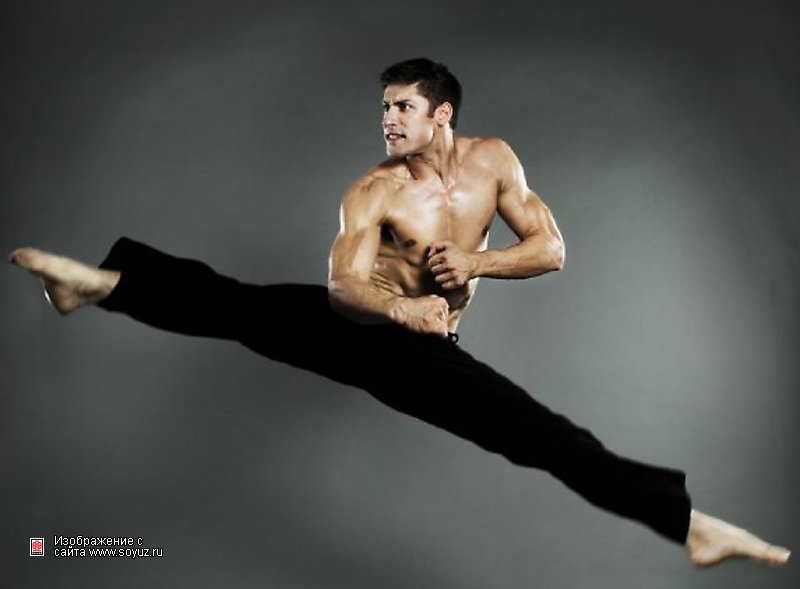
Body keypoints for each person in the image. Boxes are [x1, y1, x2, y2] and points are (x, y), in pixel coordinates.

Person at [9, 58, 790, 568]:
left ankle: (687, 524)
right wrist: (406, 305)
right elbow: (343, 287)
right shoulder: (373, 190)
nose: (388, 119)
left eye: (403, 107)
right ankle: (100, 283)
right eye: (384, 107)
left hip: (417, 353)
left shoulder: (495, 161)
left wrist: (477, 263)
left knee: (536, 433)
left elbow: (550, 248)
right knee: (238, 304)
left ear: (442, 114)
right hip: (364, 323)